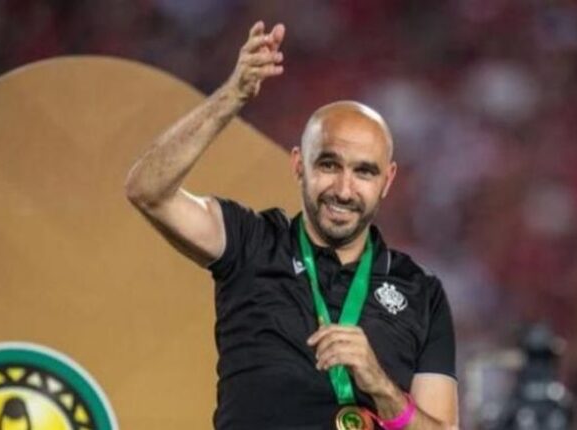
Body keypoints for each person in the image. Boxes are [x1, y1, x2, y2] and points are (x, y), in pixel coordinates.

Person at [125, 21, 458, 430]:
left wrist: (381, 387)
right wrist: (233, 95)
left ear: (387, 181)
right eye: (329, 165)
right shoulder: (251, 242)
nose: (344, 189)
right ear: (299, 165)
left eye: (364, 172)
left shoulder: (422, 293)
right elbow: (148, 190)